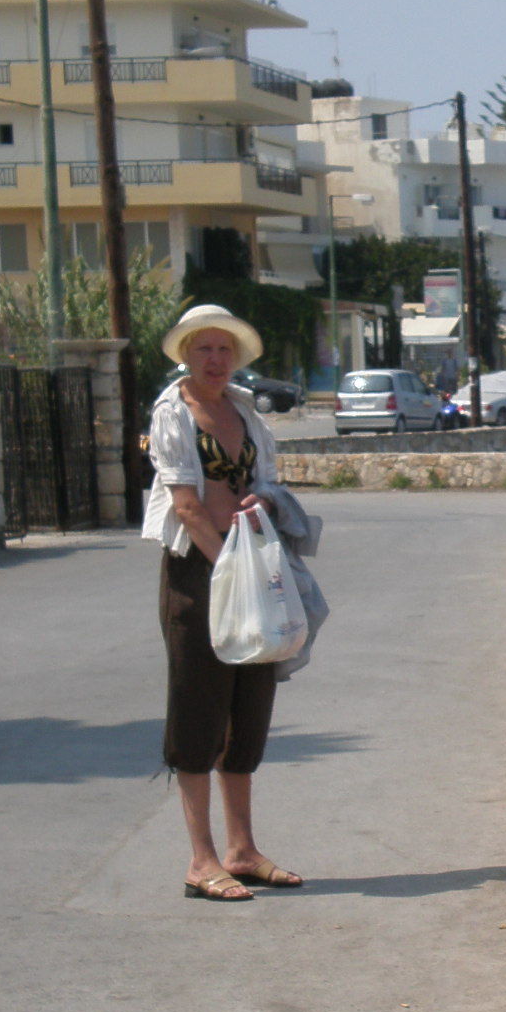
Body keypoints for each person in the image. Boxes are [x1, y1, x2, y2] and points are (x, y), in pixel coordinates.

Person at [143, 304, 304, 903]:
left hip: (249, 564)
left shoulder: (243, 409)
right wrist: (231, 570)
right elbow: (186, 505)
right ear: (186, 354)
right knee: (198, 710)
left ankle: (242, 849)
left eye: (223, 349)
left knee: (249, 705)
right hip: (200, 571)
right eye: (203, 348)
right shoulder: (173, 412)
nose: (214, 359)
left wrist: (265, 505)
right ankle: (201, 859)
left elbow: (265, 483)